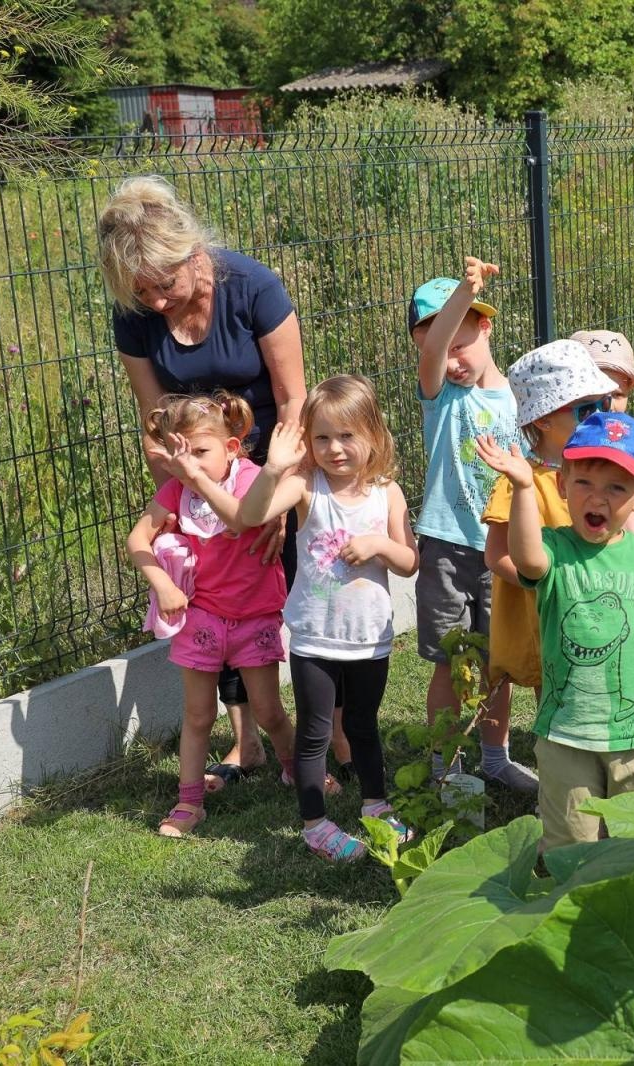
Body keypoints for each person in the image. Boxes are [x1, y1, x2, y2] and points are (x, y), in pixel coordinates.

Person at [98, 175, 328, 789]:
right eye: (139, 291)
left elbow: (293, 399)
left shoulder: (253, 286)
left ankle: (327, 732)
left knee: (293, 596)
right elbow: (154, 423)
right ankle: (245, 741)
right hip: (196, 480)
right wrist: (181, 500)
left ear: (192, 255)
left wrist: (274, 502)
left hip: (273, 465)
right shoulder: (136, 316)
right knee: (213, 595)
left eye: (163, 285)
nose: (154, 303)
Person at [476, 412, 634, 850]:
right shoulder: (553, 549)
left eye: (616, 488)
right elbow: (525, 557)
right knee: (572, 844)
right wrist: (520, 489)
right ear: (562, 485)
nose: (599, 498)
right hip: (567, 734)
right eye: (585, 483)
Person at [238, 376, 419, 861]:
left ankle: (375, 807)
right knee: (316, 731)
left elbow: (409, 561)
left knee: (363, 724)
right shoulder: (304, 487)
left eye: (347, 436)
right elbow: (251, 515)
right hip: (315, 637)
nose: (334, 448)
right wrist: (273, 469)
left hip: (369, 638)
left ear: (373, 436)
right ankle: (315, 825)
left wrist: (379, 545)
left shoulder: (388, 494)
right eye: (322, 437)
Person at [125, 392, 297, 837]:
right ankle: (189, 801)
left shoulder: (249, 479)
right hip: (201, 616)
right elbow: (136, 540)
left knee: (269, 710)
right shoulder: (176, 489)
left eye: (201, 452)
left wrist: (196, 479)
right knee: (198, 714)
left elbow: (240, 520)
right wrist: (161, 583)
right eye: (183, 455)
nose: (192, 464)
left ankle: (297, 770)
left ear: (232, 448)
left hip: (254, 616)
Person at [408, 258, 533, 789]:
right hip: (447, 548)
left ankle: (496, 757)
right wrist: (465, 289)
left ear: (486, 327)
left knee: (497, 664)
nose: (452, 360)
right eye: (439, 347)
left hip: (501, 547)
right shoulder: (442, 396)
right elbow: (434, 350)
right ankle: (445, 767)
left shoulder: (523, 398)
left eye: (462, 344)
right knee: (448, 662)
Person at [483, 340, 618, 707]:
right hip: (547, 611)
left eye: (604, 404)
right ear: (544, 420)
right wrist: (547, 582)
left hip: (598, 603)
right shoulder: (522, 480)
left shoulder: (602, 476)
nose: (600, 416)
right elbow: (496, 555)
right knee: (555, 693)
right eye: (586, 409)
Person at [571, 329, 634, 545]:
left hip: (628, 567)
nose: (608, 405)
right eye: (596, 395)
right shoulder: (568, 444)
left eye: (617, 394)